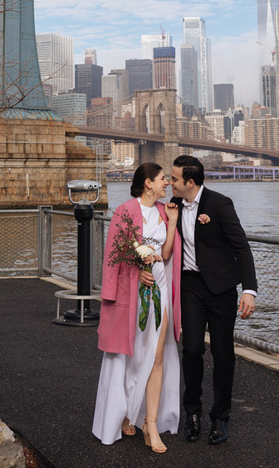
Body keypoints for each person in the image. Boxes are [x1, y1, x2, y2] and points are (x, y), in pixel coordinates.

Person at [92, 162, 181, 452]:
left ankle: (150, 423)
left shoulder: (161, 212)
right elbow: (114, 257)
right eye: (162, 179)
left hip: (161, 289)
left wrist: (174, 222)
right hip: (133, 292)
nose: (166, 183)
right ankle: (125, 412)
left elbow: (166, 254)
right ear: (147, 183)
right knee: (129, 355)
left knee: (157, 355)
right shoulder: (125, 212)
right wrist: (136, 270)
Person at [170, 154, 257, 446]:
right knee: (191, 349)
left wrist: (249, 289)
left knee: (223, 354)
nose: (170, 182)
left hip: (221, 290)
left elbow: (241, 247)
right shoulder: (172, 206)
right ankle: (191, 413)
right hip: (190, 286)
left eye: (174, 179)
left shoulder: (220, 204)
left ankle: (220, 417)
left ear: (189, 182)